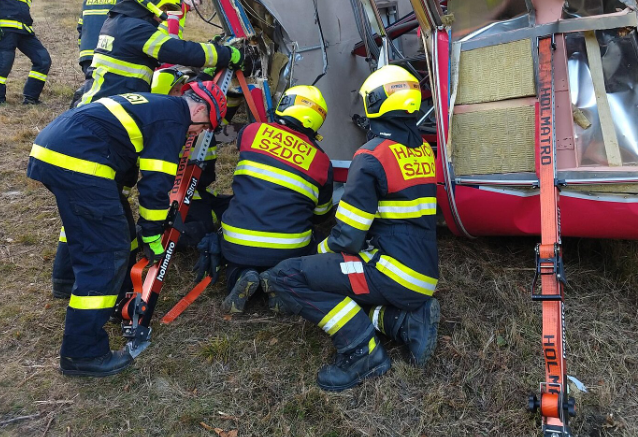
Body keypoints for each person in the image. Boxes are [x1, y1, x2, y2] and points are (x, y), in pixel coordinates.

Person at [27, 81, 228, 377]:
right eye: (204, 126)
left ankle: (67, 281)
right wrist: (152, 232)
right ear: (199, 109)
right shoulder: (174, 122)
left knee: (95, 223)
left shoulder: (158, 106)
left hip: (55, 148)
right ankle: (83, 354)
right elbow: (156, 185)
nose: (198, 133)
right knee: (107, 253)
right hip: (79, 160)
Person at [259, 65, 440, 391]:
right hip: (421, 275)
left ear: (375, 102)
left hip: (391, 272)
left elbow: (347, 238)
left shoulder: (371, 156)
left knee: (288, 275)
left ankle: (362, 354)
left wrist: (314, 256)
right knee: (339, 281)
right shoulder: (423, 150)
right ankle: (404, 321)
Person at [214, 85, 333, 314]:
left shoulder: (251, 132)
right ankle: (280, 282)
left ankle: (240, 275)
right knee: (315, 242)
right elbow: (321, 215)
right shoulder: (322, 162)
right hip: (288, 247)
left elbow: (237, 144)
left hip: (237, 239)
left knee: (237, 261)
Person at [77, 0, 245, 106]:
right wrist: (227, 54)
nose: (163, 16)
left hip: (102, 101)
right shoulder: (134, 28)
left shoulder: (118, 21)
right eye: (164, 8)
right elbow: (179, 51)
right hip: (107, 107)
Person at [0, 0, 51, 105]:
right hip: (5, 31)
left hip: (24, 32)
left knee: (43, 59)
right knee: (3, 65)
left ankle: (30, 98)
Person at [76, 0, 132, 76]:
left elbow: (80, 28)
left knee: (91, 84)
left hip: (87, 56)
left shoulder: (88, 0)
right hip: (109, 55)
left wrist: (83, 47)